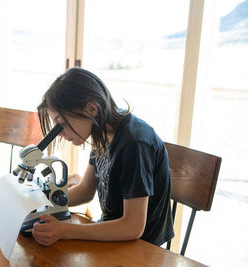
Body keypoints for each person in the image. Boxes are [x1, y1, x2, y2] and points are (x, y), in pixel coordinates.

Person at [33, 67, 174, 247]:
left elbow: (133, 227)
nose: (59, 134)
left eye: (61, 124)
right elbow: (85, 190)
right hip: (112, 233)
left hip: (142, 248)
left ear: (91, 109)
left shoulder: (134, 143)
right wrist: (40, 201)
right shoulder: (103, 131)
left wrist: (65, 230)